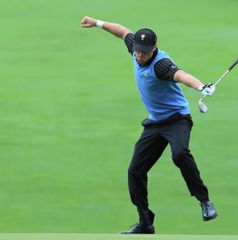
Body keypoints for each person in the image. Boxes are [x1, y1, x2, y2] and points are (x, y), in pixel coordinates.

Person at [80, 16, 217, 234]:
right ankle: (145, 223)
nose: (139, 55)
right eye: (137, 50)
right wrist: (97, 23)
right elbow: (122, 31)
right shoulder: (135, 47)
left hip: (176, 120)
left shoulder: (161, 65)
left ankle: (205, 201)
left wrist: (201, 87)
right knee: (135, 171)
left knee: (179, 154)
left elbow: (181, 75)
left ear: (154, 48)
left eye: (144, 52)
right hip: (154, 124)